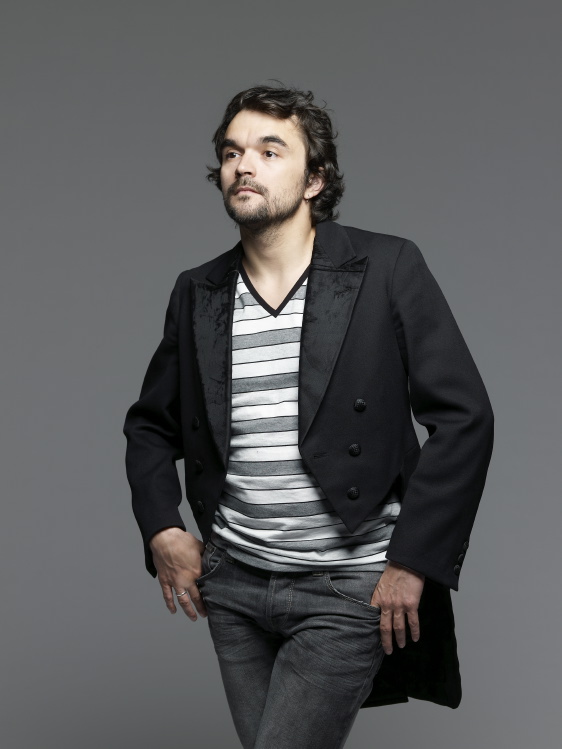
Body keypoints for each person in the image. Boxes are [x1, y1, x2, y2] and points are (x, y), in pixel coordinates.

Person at [123, 83, 494, 749]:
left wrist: (413, 561)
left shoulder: (386, 267)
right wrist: (161, 527)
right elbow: (151, 423)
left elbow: (465, 417)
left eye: (270, 150)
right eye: (232, 152)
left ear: (315, 178)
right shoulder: (198, 291)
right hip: (232, 583)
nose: (244, 164)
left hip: (347, 583)